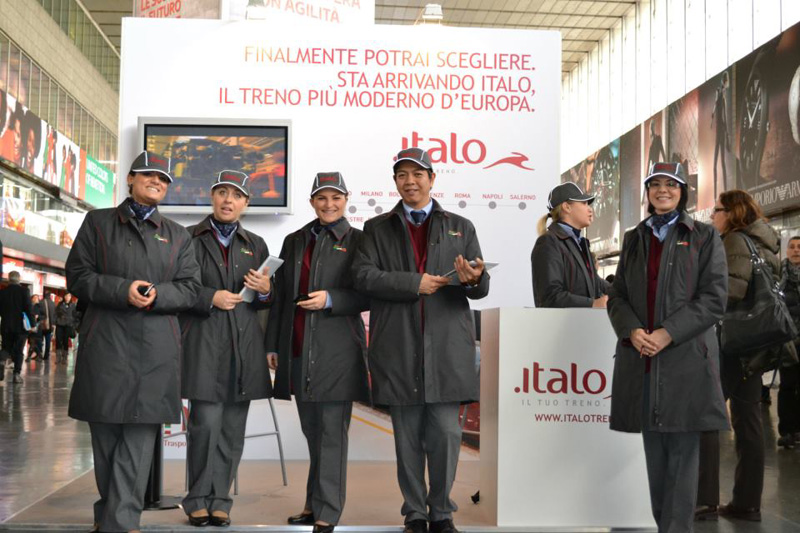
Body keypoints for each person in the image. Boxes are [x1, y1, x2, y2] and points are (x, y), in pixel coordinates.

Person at [353, 147, 489, 533]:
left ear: (432, 179)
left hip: (447, 348)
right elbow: (362, 276)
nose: (409, 182)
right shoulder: (377, 228)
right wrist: (415, 283)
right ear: (395, 182)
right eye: (402, 175)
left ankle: (441, 512)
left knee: (446, 435)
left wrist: (475, 279)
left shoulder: (460, 226)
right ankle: (414, 512)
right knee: (407, 439)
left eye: (417, 174)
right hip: (398, 346)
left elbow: (480, 287)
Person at [65, 150, 200, 533]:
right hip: (105, 345)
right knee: (106, 438)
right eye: (147, 175)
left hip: (156, 352)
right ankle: (112, 515)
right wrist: (122, 290)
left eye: (163, 178)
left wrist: (157, 295)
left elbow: (190, 288)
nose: (156, 181)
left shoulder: (178, 235)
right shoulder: (98, 223)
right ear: (130, 179)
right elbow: (77, 275)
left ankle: (120, 522)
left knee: (139, 442)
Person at [607, 162, 729, 533]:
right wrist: (631, 330)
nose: (663, 190)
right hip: (643, 363)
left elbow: (714, 299)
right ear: (647, 192)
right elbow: (618, 296)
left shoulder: (704, 236)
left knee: (682, 458)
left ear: (682, 191)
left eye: (671, 184)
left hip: (686, 361)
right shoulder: (634, 238)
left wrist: (667, 333)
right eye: (655, 184)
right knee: (656, 463)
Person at [266, 172, 369, 533]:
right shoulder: (294, 240)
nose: (329, 205)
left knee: (331, 436)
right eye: (322, 198)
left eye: (336, 198)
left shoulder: (361, 241)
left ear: (346, 199)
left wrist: (331, 299)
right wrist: (273, 344)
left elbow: (370, 293)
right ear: (312, 201)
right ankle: (314, 504)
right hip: (297, 349)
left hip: (338, 352)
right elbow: (280, 296)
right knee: (313, 432)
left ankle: (328, 512)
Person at [180, 170, 273, 528]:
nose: (228, 200)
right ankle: (196, 500)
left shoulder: (256, 244)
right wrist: (210, 296)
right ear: (212, 197)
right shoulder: (188, 238)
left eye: (236, 195)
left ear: (246, 203)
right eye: (222, 192)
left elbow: (266, 301)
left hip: (243, 347)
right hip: (204, 344)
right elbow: (179, 288)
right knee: (204, 427)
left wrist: (265, 289)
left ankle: (220, 500)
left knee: (232, 431)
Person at [696, 189, 780, 522]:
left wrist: (699, 293)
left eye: (716, 210)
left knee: (706, 415)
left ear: (731, 213)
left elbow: (732, 289)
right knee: (749, 421)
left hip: (732, 343)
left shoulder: (734, 240)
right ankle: (747, 503)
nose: (712, 216)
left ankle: (704, 499)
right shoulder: (766, 241)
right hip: (756, 342)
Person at [531, 181, 608, 308]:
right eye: (584, 203)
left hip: (583, 320)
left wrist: (625, 292)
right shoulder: (548, 242)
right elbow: (550, 297)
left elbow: (596, 283)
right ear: (567, 207)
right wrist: (593, 304)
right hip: (564, 322)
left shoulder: (581, 244)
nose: (590, 209)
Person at [779, 236, 800, 449]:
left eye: (799, 247)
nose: (796, 250)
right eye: (792, 247)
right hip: (789, 340)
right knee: (787, 385)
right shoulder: (779, 276)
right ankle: (786, 431)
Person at [0, 270, 33, 383]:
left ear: (9, 279)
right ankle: (16, 375)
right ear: (19, 279)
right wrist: (32, 324)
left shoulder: (2, 292)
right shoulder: (24, 291)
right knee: (19, 350)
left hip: (6, 326)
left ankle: (2, 361)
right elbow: (29, 308)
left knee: (5, 348)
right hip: (20, 327)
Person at [54, 292, 76, 364]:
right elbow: (55, 314)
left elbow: (75, 315)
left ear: (71, 297)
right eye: (66, 296)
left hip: (68, 325)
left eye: (69, 296)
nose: (67, 297)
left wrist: (72, 322)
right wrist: (56, 321)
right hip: (60, 325)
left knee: (65, 341)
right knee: (58, 340)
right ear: (64, 297)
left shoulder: (73, 305)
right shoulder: (60, 304)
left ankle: (65, 358)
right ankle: (58, 358)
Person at [27, 294, 44, 361]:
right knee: (31, 341)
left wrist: (38, 317)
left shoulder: (40, 306)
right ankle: (39, 355)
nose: (36, 299)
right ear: (32, 299)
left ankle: (30, 356)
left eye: (37, 297)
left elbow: (44, 316)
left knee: (34, 341)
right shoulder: (29, 306)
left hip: (38, 327)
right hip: (30, 326)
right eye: (34, 297)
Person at [40, 292, 56, 361]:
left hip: (42, 324)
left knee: (40, 340)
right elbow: (55, 315)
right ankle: (46, 355)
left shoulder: (41, 302)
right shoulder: (53, 303)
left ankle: (39, 354)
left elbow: (39, 313)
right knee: (48, 341)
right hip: (50, 325)